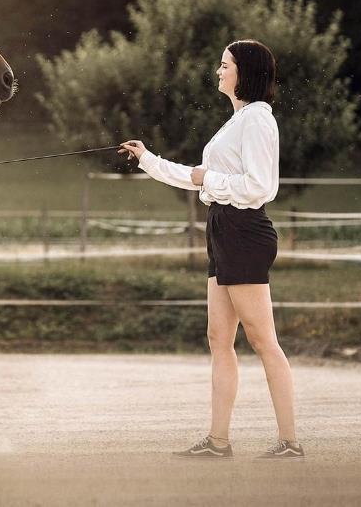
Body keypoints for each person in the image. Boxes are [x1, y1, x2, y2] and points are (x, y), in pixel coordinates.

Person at [118, 39, 303, 459]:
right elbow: (200, 177)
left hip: (244, 231)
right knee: (219, 337)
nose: (219, 71)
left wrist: (209, 181)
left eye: (225, 65)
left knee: (262, 340)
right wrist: (149, 159)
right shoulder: (236, 120)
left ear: (245, 73)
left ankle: (290, 442)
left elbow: (261, 187)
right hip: (223, 227)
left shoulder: (257, 120)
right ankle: (219, 441)